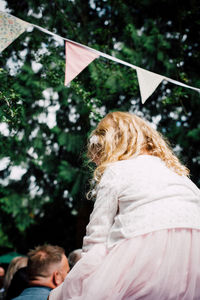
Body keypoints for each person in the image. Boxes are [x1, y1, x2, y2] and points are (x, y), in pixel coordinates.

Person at [49, 111, 200, 300]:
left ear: (110, 147)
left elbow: (96, 244)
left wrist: (60, 294)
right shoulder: (181, 177)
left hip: (142, 264)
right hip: (192, 269)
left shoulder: (116, 171)